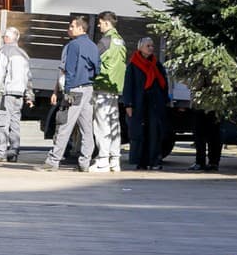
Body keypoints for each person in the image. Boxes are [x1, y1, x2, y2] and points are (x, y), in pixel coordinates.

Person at [38, 17, 99, 172]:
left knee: (64, 125)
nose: (69, 28)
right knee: (87, 129)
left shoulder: (73, 45)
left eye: (72, 26)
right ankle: (84, 162)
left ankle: (53, 161)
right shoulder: (93, 46)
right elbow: (97, 69)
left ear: (81, 29)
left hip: (75, 90)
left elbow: (69, 69)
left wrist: (66, 91)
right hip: (88, 89)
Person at [121, 36, 169, 171]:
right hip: (139, 104)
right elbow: (128, 86)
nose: (151, 48)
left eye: (152, 46)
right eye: (148, 46)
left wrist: (164, 100)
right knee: (139, 133)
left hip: (154, 104)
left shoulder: (157, 64)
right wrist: (128, 104)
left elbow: (164, 84)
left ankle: (154, 160)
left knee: (155, 133)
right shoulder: (133, 65)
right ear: (140, 48)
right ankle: (141, 161)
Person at [0, 26, 33, 163]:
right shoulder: (23, 54)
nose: (3, 39)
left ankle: (1, 152)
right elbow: (28, 77)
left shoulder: (4, 52)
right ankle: (14, 151)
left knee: (2, 123)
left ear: (7, 38)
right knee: (15, 123)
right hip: (19, 93)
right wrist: (29, 95)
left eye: (4, 37)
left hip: (6, 93)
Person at [88, 11, 126, 172]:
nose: (98, 25)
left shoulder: (105, 41)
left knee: (101, 124)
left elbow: (93, 60)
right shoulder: (120, 41)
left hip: (102, 86)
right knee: (113, 124)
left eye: (100, 22)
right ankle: (114, 160)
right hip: (115, 87)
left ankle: (103, 160)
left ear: (106, 23)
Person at [189, 106, 222, 173]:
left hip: (211, 108)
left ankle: (210, 163)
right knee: (202, 136)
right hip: (204, 108)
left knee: (213, 137)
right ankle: (205, 162)